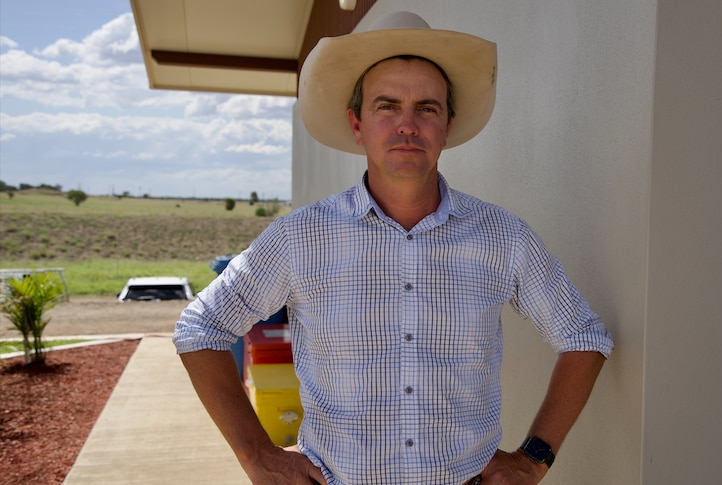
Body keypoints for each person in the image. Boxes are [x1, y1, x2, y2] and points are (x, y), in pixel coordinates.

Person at [174, 11, 613, 485]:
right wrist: (256, 454)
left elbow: (584, 338)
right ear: (357, 124)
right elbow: (202, 327)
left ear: (447, 126)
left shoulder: (502, 237)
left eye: (427, 108)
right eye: (387, 106)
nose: (407, 125)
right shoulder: (298, 238)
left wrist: (534, 459)